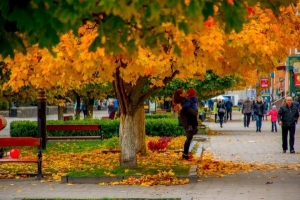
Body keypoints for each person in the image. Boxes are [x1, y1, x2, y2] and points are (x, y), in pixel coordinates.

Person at [173, 88, 198, 160]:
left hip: (188, 122)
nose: (185, 93)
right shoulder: (183, 102)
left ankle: (185, 154)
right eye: (183, 92)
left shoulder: (182, 101)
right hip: (188, 122)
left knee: (189, 137)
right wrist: (195, 113)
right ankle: (185, 155)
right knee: (189, 137)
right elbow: (188, 111)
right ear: (180, 94)